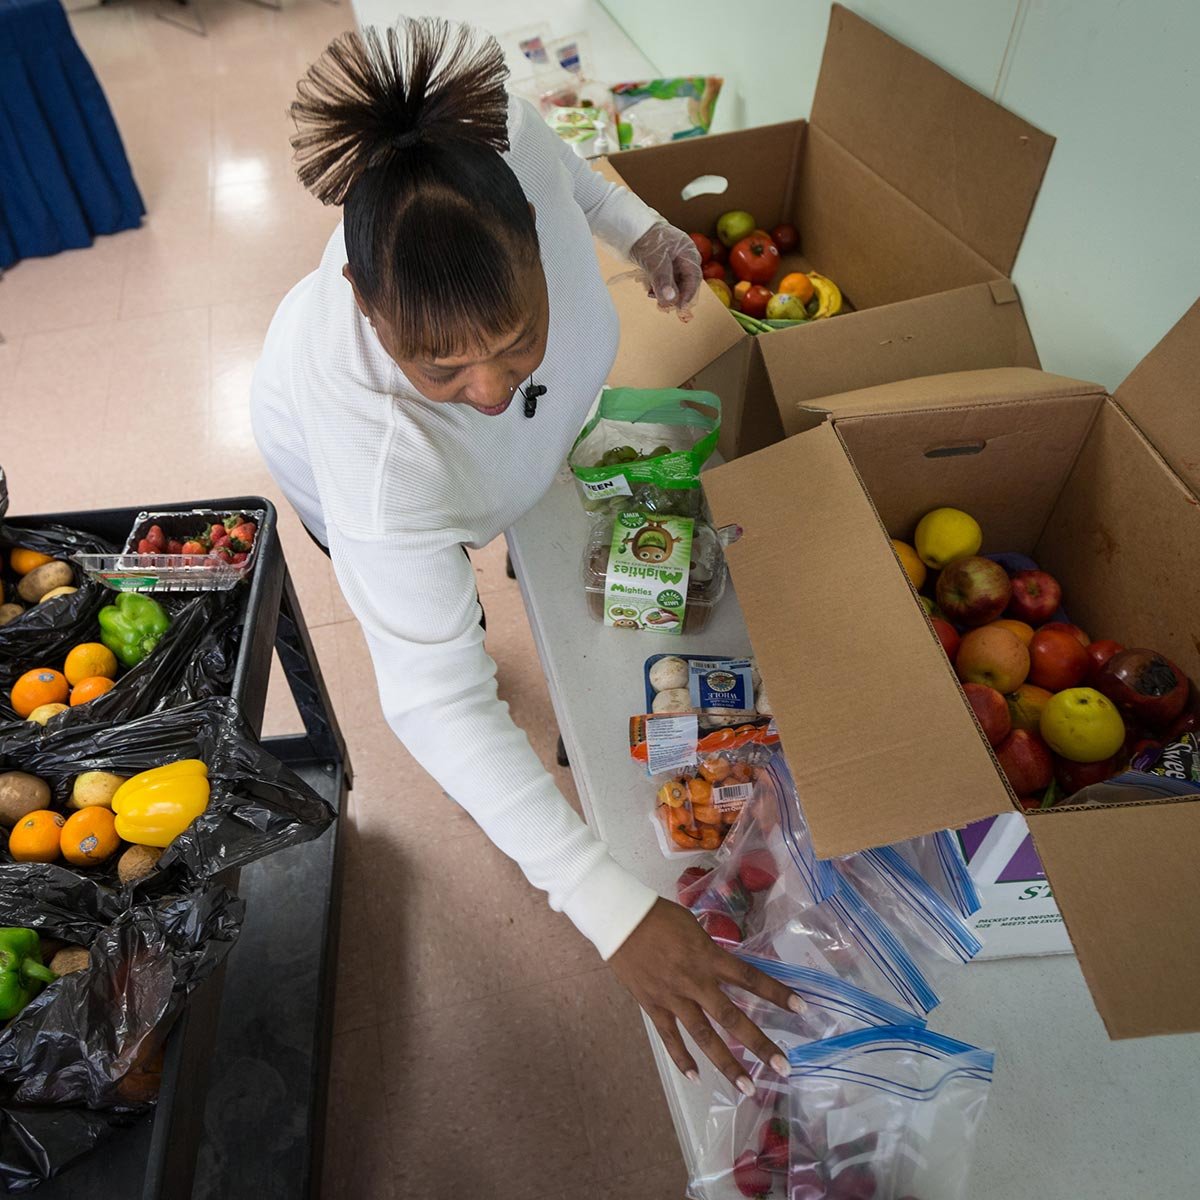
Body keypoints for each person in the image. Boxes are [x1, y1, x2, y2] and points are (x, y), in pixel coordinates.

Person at [251, 17, 800, 1094]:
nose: (492, 388)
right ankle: (471, 584)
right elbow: (435, 701)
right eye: (442, 366)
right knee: (440, 628)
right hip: (345, 468)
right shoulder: (378, 461)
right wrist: (607, 902)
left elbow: (580, 181)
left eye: (517, 339)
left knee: (505, 471)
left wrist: (644, 234)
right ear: (368, 309)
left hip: (483, 454)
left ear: (532, 250)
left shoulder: (502, 152)